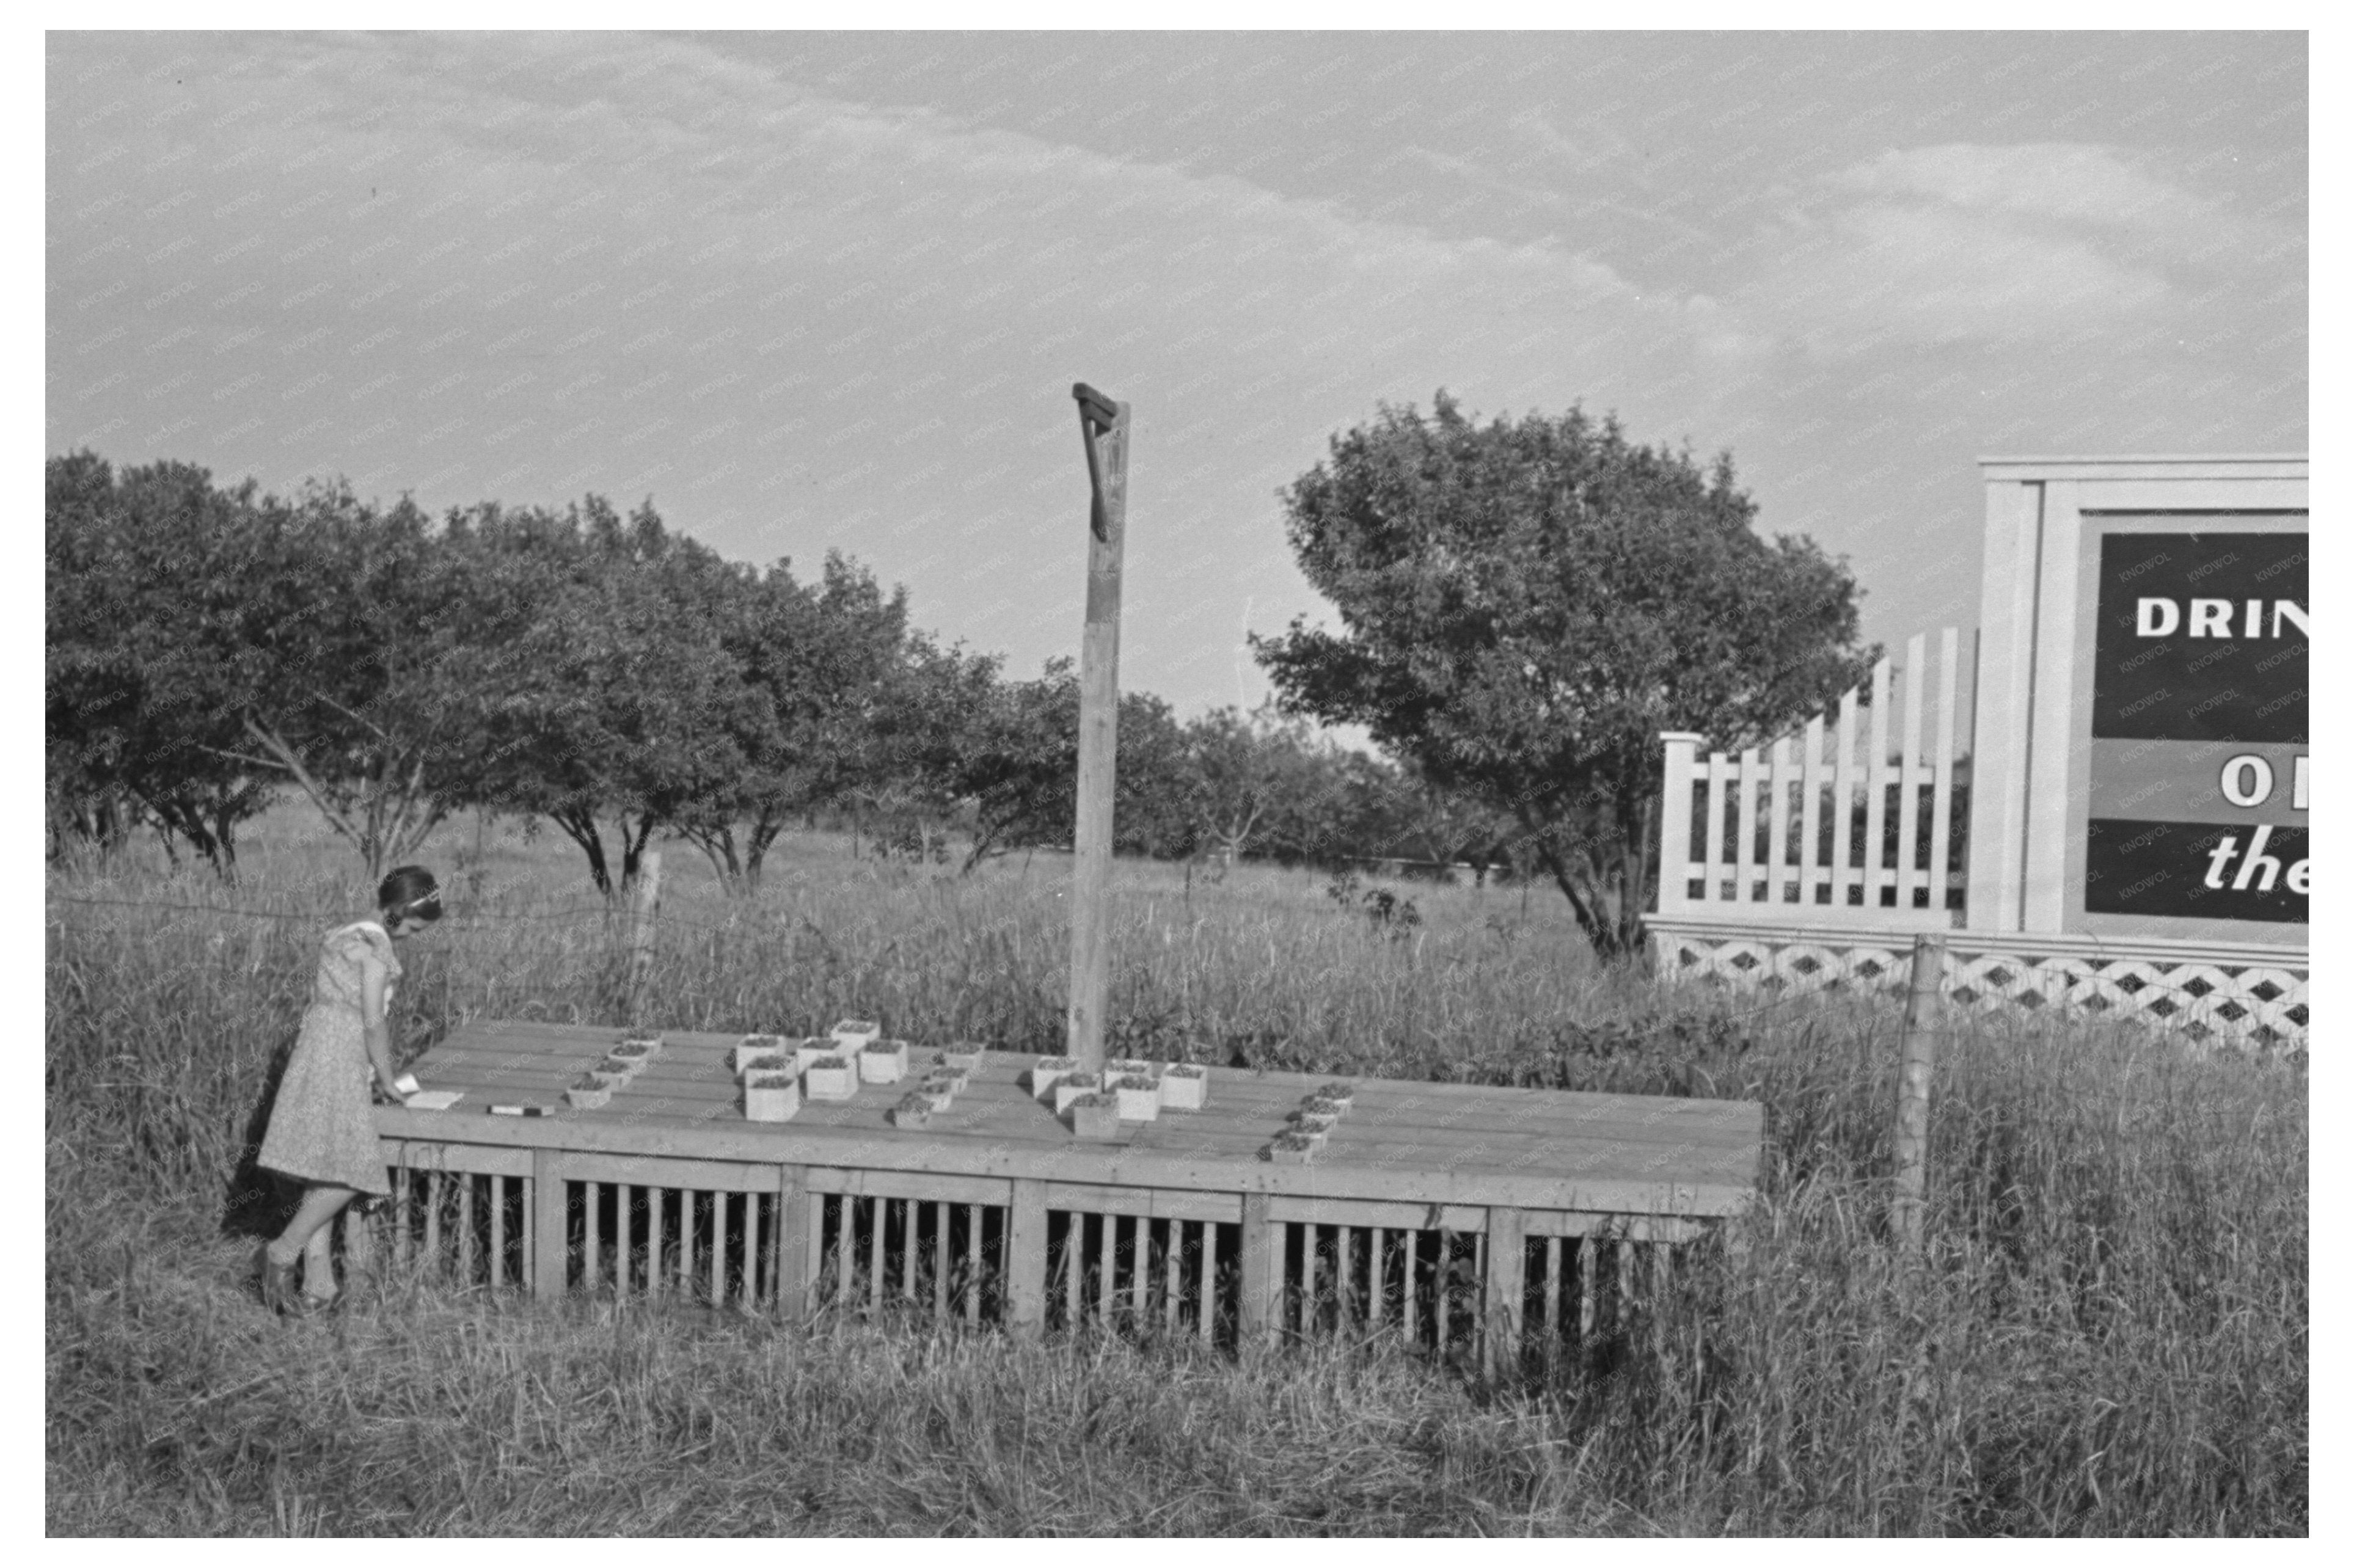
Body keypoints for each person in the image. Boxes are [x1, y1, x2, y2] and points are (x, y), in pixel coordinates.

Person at [254, 866, 442, 1313]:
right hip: (343, 1052)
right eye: (415, 925)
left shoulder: (344, 933)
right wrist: (388, 1075)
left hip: (315, 1046)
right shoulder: (375, 950)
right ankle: (281, 1251)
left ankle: (319, 1284)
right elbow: (373, 1021)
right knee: (357, 1168)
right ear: (399, 912)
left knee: (325, 1161)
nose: (415, 935)